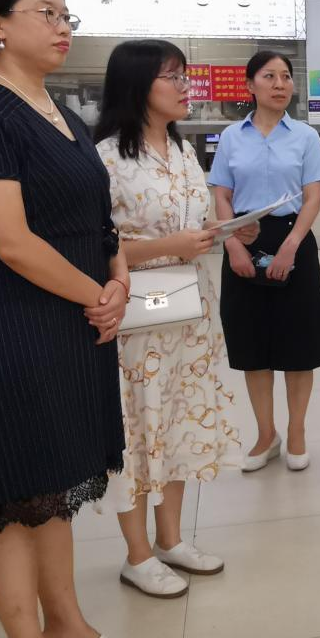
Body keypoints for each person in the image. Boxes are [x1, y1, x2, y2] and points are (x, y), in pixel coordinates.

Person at [0, 0, 137, 638]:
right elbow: (12, 241)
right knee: (14, 498)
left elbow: (96, 215)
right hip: (17, 327)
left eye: (67, 16)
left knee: (53, 489)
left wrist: (116, 277)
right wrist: (99, 297)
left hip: (74, 321)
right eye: (46, 12)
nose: (62, 28)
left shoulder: (57, 109)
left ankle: (68, 627)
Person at [95, 39, 243, 599]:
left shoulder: (182, 151)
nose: (185, 87)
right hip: (138, 320)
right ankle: (137, 555)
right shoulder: (106, 158)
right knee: (138, 428)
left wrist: (221, 232)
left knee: (180, 422)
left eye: (185, 76)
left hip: (188, 311)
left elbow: (191, 226)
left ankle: (171, 540)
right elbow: (95, 245)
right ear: (137, 85)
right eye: (173, 77)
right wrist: (166, 245)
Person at [211, 51, 320, 473]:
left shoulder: (305, 136)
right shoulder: (232, 136)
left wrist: (291, 245)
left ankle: (296, 431)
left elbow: (313, 195)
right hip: (242, 237)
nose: (280, 84)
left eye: (286, 76)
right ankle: (267, 434)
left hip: (293, 238)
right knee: (253, 345)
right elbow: (222, 194)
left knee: (299, 344)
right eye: (269, 76)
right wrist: (232, 246)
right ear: (250, 85)